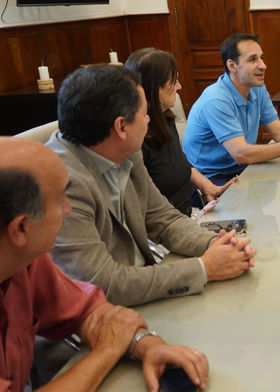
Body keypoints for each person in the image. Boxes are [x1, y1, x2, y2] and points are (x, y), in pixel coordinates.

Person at [0, 137, 210, 392]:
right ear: (20, 228)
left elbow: (87, 310)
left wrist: (146, 344)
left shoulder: (27, 261)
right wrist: (107, 351)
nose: (68, 209)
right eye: (58, 200)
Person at [46, 65, 256, 307]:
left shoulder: (124, 150)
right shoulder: (61, 183)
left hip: (143, 291)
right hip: (101, 315)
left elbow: (163, 219)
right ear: (121, 127)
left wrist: (218, 245)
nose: (149, 119)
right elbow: (102, 284)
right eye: (145, 113)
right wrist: (205, 268)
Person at [183, 33, 280, 184]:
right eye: (253, 59)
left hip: (243, 170)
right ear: (232, 66)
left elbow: (279, 132)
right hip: (210, 178)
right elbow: (241, 154)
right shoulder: (216, 99)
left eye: (261, 58)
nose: (263, 65)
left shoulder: (256, 88)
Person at [125, 48, 237, 216]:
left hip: (187, 215)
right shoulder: (136, 140)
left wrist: (208, 186)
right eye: (173, 82)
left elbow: (178, 163)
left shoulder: (166, 120)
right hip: (167, 227)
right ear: (155, 89)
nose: (179, 86)